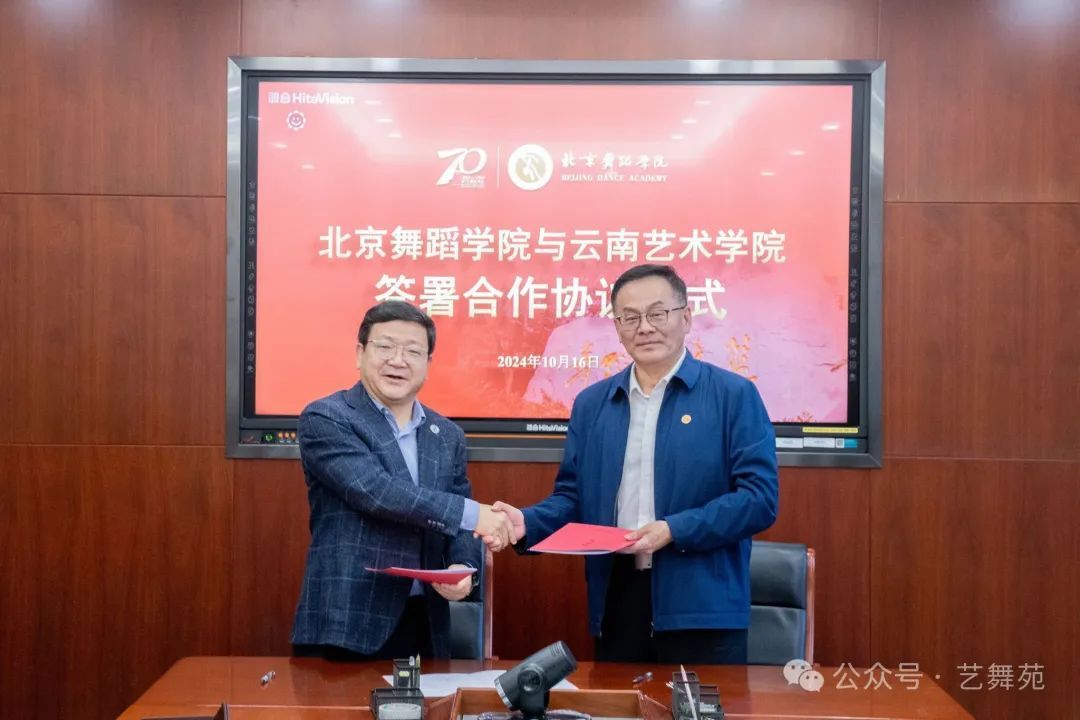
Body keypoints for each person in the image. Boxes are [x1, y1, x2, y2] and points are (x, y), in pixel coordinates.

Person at [492, 264, 779, 664]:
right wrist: (528, 523)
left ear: (686, 317)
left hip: (701, 607)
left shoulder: (733, 395)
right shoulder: (593, 404)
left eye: (657, 313)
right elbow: (574, 499)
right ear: (617, 327)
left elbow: (759, 500)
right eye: (630, 317)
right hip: (617, 600)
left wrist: (674, 529)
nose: (644, 327)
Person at [291, 301, 513, 660]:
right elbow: (376, 492)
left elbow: (458, 515)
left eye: (413, 351)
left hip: (425, 621)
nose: (398, 360)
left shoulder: (447, 435)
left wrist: (462, 568)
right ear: (360, 354)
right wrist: (475, 515)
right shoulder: (326, 417)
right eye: (385, 347)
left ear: (428, 363)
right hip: (347, 620)